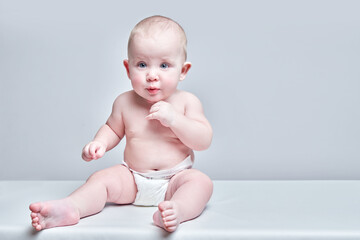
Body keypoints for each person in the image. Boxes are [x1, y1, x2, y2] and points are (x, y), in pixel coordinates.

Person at [29, 15, 213, 233]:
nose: (152, 75)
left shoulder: (186, 102)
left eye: (164, 65)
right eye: (142, 64)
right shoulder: (125, 102)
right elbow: (112, 129)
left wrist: (175, 120)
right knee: (101, 179)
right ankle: (72, 207)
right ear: (128, 69)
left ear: (182, 71)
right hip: (133, 179)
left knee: (201, 183)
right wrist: (100, 142)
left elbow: (203, 140)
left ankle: (178, 210)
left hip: (175, 179)